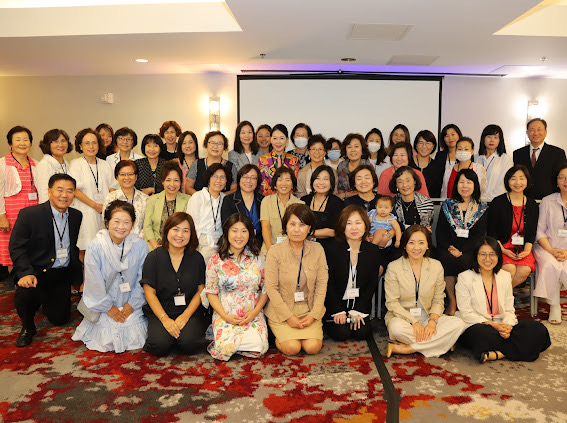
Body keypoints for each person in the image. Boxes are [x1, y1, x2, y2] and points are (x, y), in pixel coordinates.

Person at [9, 174, 82, 347]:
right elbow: (16, 247)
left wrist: (78, 276)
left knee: (60, 319)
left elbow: (73, 247)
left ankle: (45, 302)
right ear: (49, 191)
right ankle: (28, 327)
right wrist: (25, 273)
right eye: (60, 190)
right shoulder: (30, 214)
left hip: (61, 274)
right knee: (25, 292)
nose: (64, 195)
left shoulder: (76, 215)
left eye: (69, 191)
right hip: (35, 272)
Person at [456, 237, 551, 363]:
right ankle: (520, 348)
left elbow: (509, 309)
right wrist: (493, 325)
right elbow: (466, 313)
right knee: (482, 335)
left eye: (492, 255)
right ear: (476, 255)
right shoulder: (464, 277)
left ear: (498, 257)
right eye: (483, 254)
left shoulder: (504, 276)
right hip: (478, 325)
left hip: (501, 323)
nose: (487, 259)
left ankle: (499, 353)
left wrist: (507, 327)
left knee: (538, 329)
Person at [72, 200, 149, 353]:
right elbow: (93, 282)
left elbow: (143, 278)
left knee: (132, 327)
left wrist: (132, 304)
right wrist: (108, 308)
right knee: (107, 332)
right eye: (116, 221)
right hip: (103, 304)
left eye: (126, 222)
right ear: (107, 222)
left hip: (132, 302)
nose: (121, 227)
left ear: (132, 224)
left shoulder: (140, 245)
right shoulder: (96, 246)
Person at [385, 225, 465, 358]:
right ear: (404, 245)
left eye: (421, 243)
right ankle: (442, 342)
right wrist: (414, 322)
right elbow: (392, 303)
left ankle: (409, 348)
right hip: (403, 318)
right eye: (411, 243)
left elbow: (438, 299)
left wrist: (432, 322)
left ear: (428, 245)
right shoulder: (394, 267)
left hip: (428, 316)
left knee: (459, 323)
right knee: (396, 329)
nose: (416, 248)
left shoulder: (436, 266)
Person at [202, 214, 269, 361]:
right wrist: (225, 316)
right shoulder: (216, 260)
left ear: (250, 233)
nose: (239, 236)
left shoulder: (258, 257)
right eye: (234, 230)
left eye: (244, 231)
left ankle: (238, 344)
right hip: (225, 312)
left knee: (259, 346)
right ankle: (228, 340)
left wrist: (255, 312)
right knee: (223, 348)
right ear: (227, 232)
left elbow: (266, 288)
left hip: (251, 312)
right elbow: (211, 292)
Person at [264, 203, 328, 356]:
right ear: (285, 227)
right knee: (292, 348)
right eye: (292, 224)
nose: (297, 229)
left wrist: (313, 315)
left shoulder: (318, 249)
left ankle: (301, 333)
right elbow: (271, 288)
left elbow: (321, 285)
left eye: (302, 224)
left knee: (313, 347)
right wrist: (288, 316)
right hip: (282, 310)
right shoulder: (275, 251)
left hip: (308, 308)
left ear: (309, 228)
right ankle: (279, 337)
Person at [142, 212, 208, 356]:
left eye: (185, 231)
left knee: (189, 343)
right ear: (167, 231)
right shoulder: (153, 257)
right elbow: (149, 292)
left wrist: (185, 316)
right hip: (162, 310)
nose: (180, 235)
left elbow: (201, 290)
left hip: (190, 310)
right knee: (160, 345)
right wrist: (165, 319)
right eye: (175, 229)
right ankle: (172, 338)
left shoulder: (197, 258)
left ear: (191, 234)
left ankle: (178, 337)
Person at [324, 206, 382, 340]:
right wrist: (337, 310)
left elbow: (371, 284)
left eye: (358, 223)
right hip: (336, 305)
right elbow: (328, 283)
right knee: (342, 333)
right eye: (349, 223)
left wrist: (358, 310)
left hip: (359, 305)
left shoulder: (372, 250)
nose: (354, 228)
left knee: (362, 333)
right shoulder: (331, 249)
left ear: (365, 225)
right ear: (342, 226)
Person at [436, 169, 488, 315]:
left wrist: (462, 252)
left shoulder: (481, 208)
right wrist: (450, 248)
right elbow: (440, 232)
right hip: (448, 247)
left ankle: (464, 301)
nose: (465, 186)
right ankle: (452, 300)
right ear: (456, 185)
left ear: (475, 185)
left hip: (470, 249)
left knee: (465, 261)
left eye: (469, 182)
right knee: (446, 260)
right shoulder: (447, 205)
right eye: (461, 182)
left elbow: (479, 236)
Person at [487, 166, 538, 288]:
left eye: (522, 178)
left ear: (527, 180)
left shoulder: (532, 204)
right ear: (507, 181)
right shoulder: (498, 202)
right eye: (513, 178)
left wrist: (527, 251)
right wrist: (503, 250)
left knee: (524, 270)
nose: (518, 182)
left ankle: (499, 296)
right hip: (501, 247)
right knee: (509, 269)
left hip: (522, 249)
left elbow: (531, 233)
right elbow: (491, 233)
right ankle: (499, 297)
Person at [0, 126, 39, 272]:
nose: (22, 143)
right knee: (13, 251)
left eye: (26, 140)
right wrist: (1, 216)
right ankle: (16, 282)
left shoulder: (36, 164)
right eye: (18, 140)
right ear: (10, 143)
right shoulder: (2, 164)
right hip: (11, 216)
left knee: (33, 249)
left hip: (33, 214)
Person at [69, 128, 113, 252]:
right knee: (86, 248)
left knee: (105, 248)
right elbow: (75, 190)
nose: (91, 146)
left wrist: (107, 206)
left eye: (94, 143)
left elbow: (112, 187)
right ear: (80, 146)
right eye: (87, 143)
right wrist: (95, 205)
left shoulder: (105, 164)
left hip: (104, 211)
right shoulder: (76, 164)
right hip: (85, 211)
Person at [533, 163, 567, 324]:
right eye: (562, 177)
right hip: (546, 247)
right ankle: (554, 306)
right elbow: (539, 230)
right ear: (557, 181)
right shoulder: (547, 201)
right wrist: (552, 250)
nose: (566, 181)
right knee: (550, 265)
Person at [513, 118, 567, 200]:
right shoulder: (518, 153)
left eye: (539, 130)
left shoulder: (558, 153)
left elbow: (562, 177)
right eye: (532, 130)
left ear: (546, 132)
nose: (535, 133)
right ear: (527, 133)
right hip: (524, 199)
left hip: (550, 200)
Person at [186, 163, 228, 263]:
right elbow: (192, 225)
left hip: (220, 244)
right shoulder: (198, 197)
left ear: (226, 181)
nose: (218, 181)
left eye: (222, 177)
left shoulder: (226, 199)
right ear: (209, 178)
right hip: (200, 242)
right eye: (215, 176)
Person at [143, 161, 190, 250]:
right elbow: (147, 226)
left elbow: (190, 228)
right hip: (156, 245)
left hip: (180, 246)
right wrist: (156, 246)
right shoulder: (153, 200)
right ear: (162, 181)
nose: (172, 184)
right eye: (168, 180)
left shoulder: (188, 200)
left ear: (181, 182)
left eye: (176, 180)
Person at [260, 167, 304, 252]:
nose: (284, 183)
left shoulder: (300, 204)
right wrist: (270, 250)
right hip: (270, 247)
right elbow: (265, 227)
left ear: (292, 184)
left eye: (287, 180)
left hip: (293, 250)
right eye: (280, 180)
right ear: (275, 184)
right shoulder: (267, 201)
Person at [300, 165, 344, 248]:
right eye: (317, 178)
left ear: (331, 183)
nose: (321, 182)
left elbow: (334, 231)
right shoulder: (304, 200)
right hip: (304, 246)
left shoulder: (337, 203)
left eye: (325, 179)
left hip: (329, 247)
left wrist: (309, 232)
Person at [221, 164, 264, 248]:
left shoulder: (263, 200)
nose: (249, 181)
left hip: (259, 244)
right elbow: (226, 226)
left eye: (253, 178)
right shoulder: (229, 200)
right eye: (245, 177)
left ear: (258, 181)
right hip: (235, 243)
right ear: (239, 179)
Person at [103, 160, 149, 237]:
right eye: (122, 174)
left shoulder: (145, 198)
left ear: (136, 176)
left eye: (130, 174)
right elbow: (106, 223)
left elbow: (148, 225)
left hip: (139, 240)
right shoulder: (111, 198)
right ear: (117, 177)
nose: (126, 178)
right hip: (116, 240)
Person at [186, 131, 237, 195]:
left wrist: (219, 198)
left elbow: (234, 189)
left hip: (223, 201)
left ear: (224, 147)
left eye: (219, 143)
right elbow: (188, 187)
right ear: (206, 144)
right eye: (212, 143)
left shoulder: (230, 166)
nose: (215, 146)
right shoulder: (197, 164)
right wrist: (201, 197)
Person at [474, 124, 514, 201]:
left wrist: (489, 199)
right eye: (489, 137)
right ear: (483, 138)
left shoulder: (506, 159)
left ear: (500, 140)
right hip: (477, 201)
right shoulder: (476, 158)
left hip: (497, 201)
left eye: (495, 137)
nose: (492, 140)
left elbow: (503, 183)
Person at [258, 124, 299, 196]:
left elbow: (294, 185)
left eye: (282, 138)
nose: (278, 142)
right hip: (269, 200)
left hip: (289, 199)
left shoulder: (293, 160)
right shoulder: (263, 159)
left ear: (287, 140)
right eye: (275, 138)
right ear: (271, 139)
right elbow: (262, 185)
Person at [391, 166, 435, 230]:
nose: (404, 185)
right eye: (400, 182)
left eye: (408, 180)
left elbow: (426, 229)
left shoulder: (425, 203)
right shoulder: (392, 204)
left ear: (414, 181)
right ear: (396, 185)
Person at [36, 129, 72, 203]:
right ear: (48, 145)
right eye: (56, 141)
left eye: (63, 141)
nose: (60, 145)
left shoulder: (67, 164)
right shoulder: (44, 165)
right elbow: (44, 195)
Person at [336, 133, 371, 199]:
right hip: (346, 202)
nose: (353, 150)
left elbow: (368, 189)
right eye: (349, 147)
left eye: (356, 146)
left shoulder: (367, 166)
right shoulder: (342, 166)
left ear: (362, 149)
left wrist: (347, 194)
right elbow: (340, 188)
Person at [413, 130, 444, 198]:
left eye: (428, 143)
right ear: (416, 145)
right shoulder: (408, 164)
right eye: (421, 143)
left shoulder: (437, 167)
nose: (424, 146)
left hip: (430, 203)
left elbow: (437, 192)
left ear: (433, 146)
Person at [434, 124, 463, 191]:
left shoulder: (464, 155)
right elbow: (436, 178)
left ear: (458, 135)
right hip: (442, 195)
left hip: (460, 194)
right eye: (447, 136)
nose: (450, 138)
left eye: (453, 134)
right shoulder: (440, 155)